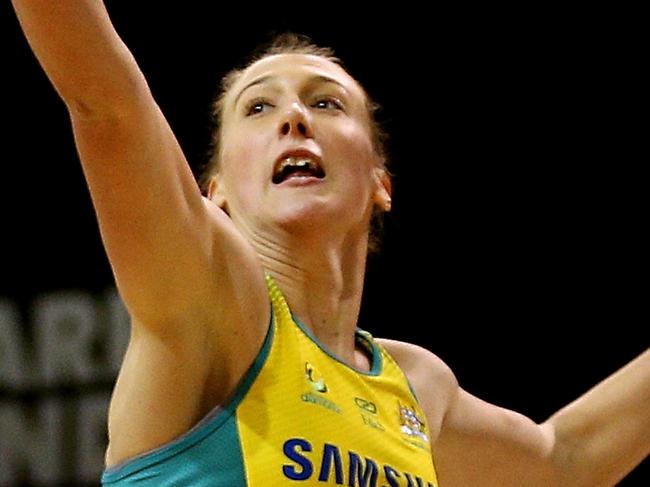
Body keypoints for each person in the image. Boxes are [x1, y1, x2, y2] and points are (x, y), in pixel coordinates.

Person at [10, 2, 649, 486]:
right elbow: (105, 101)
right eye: (258, 109)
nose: (294, 117)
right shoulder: (215, 298)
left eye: (326, 102)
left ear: (379, 182)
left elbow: (568, 457)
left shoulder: (417, 386)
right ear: (216, 195)